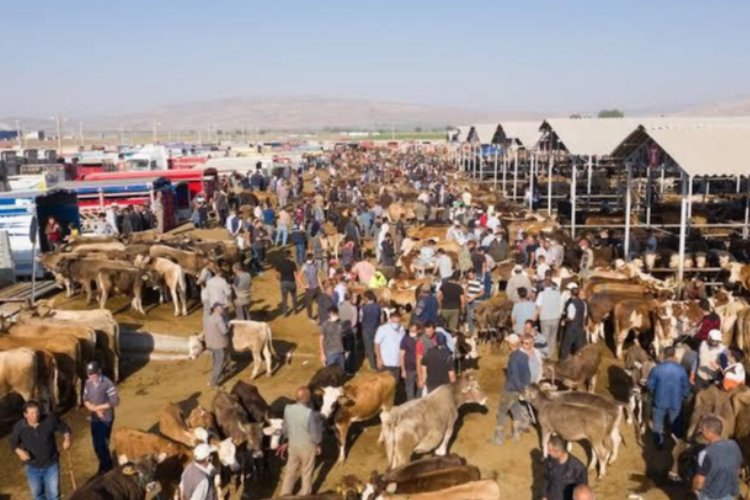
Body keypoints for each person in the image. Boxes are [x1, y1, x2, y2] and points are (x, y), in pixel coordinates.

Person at [11, 400, 72, 500]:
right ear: (25, 414)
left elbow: (65, 429)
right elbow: (13, 443)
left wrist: (67, 439)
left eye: (36, 412)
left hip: (51, 465)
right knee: (38, 495)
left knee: (54, 495)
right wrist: (19, 451)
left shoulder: (50, 419)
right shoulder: (19, 427)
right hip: (32, 468)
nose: (35, 415)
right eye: (31, 413)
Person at [279, 387, 324, 496]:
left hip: (293, 445)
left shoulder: (287, 409)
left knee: (290, 470)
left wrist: (286, 440)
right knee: (307, 472)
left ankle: (285, 493)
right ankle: (304, 495)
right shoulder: (310, 413)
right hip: (307, 447)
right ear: (307, 398)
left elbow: (285, 428)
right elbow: (315, 434)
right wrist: (318, 444)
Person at [646, 346, 691, 449]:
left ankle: (659, 443)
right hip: (676, 401)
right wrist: (684, 396)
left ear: (664, 355)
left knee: (657, 423)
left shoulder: (657, 369)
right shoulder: (681, 370)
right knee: (676, 423)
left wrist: (653, 392)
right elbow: (686, 387)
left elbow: (650, 386)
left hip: (659, 400)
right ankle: (676, 444)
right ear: (674, 355)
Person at [492, 334, 531, 445]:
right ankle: (516, 436)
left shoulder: (513, 358)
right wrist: (524, 389)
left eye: (508, 343)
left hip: (510, 389)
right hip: (520, 389)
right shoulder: (524, 356)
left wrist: (518, 388)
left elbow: (514, 376)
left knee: (502, 412)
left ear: (511, 344)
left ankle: (498, 439)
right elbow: (527, 375)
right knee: (516, 411)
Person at [692, 415, 743, 500]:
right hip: (730, 493)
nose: (701, 432)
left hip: (710, 496)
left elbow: (700, 481)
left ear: (709, 432)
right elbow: (737, 469)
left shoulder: (706, 453)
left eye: (703, 429)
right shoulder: (734, 445)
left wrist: (694, 489)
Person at [82, 360, 119, 474]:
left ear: (99, 371)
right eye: (89, 374)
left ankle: (106, 467)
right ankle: (104, 464)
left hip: (106, 418)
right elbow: (85, 399)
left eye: (93, 373)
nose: (91, 376)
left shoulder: (107, 383)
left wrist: (97, 408)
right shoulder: (88, 383)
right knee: (96, 445)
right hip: (95, 417)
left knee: (103, 443)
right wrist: (95, 409)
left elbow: (115, 401)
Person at [542, 434, 588, 500]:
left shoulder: (578, 468)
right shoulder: (550, 462)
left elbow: (582, 492)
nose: (548, 453)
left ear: (558, 451)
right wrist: (545, 496)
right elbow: (546, 478)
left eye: (550, 450)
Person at [536, 276, 562, 358]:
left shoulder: (541, 294)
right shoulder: (558, 293)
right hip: (555, 318)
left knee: (545, 336)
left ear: (544, 286)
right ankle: (551, 354)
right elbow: (561, 305)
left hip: (545, 318)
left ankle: (545, 355)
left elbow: (538, 306)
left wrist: (537, 316)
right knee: (553, 337)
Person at [375, 311, 406, 381]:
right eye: (394, 321)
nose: (396, 324)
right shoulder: (382, 329)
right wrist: (378, 359)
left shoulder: (402, 330)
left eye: (398, 322)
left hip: (397, 363)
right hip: (385, 362)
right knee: (383, 384)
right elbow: (377, 344)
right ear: (390, 320)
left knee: (395, 383)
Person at [205, 303, 230, 388]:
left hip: (210, 344)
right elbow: (224, 331)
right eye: (221, 308)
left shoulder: (208, 318)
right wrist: (228, 326)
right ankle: (214, 383)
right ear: (216, 309)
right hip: (218, 344)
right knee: (219, 363)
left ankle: (213, 379)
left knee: (215, 362)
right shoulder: (219, 318)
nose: (223, 309)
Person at [559, 283, 586, 360]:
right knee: (579, 347)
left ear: (571, 293)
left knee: (566, 346)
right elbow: (584, 315)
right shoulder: (583, 303)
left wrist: (564, 320)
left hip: (572, 327)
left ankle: (563, 362)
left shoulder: (572, 304)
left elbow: (570, 317)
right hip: (580, 327)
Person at [361, 290, 382, 370]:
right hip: (376, 328)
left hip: (366, 329)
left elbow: (361, 319)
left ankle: (373, 366)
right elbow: (381, 319)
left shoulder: (363, 308)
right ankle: (379, 363)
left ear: (366, 298)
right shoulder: (378, 307)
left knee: (369, 348)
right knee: (377, 347)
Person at [339, 294, 358, 375]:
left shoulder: (339, 307)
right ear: (350, 299)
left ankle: (342, 368)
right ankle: (350, 370)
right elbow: (354, 322)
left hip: (341, 332)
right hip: (350, 332)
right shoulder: (353, 308)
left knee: (343, 350)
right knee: (351, 351)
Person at [401, 324, 421, 400]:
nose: (413, 331)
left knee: (420, 385)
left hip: (419, 367)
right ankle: (411, 402)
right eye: (411, 329)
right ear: (409, 329)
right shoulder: (405, 339)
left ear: (418, 330)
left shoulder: (420, 339)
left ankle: (418, 401)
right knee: (409, 387)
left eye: (415, 330)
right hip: (409, 367)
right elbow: (402, 355)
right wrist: (403, 370)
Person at [276, 250, 298, 316]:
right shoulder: (292, 263)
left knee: (284, 298)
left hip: (284, 282)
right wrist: (298, 283)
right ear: (289, 256)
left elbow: (277, 274)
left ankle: (285, 312)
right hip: (291, 282)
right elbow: (295, 274)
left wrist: (278, 282)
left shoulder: (280, 263)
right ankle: (294, 310)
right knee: (294, 297)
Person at [300, 253, 322, 321]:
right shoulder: (305, 266)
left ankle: (319, 315)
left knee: (320, 302)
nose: (310, 260)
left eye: (311, 259)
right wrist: (303, 286)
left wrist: (321, 286)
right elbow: (298, 276)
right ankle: (310, 317)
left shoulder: (316, 264)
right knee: (309, 304)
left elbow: (317, 276)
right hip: (309, 289)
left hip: (316, 287)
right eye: (309, 259)